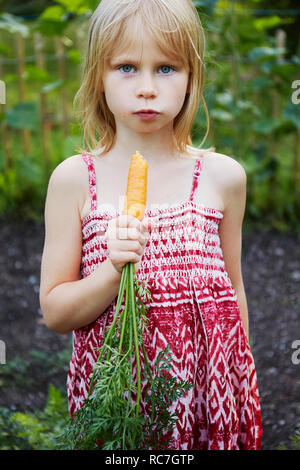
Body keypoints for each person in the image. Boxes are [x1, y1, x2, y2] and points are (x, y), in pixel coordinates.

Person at [39, 0, 262, 450]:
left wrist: (239, 381)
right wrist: (111, 269)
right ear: (97, 78)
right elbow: (56, 312)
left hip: (206, 396)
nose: (146, 88)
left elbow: (232, 292)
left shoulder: (223, 178)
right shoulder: (76, 180)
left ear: (192, 78)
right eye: (125, 67)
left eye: (166, 68)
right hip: (118, 400)